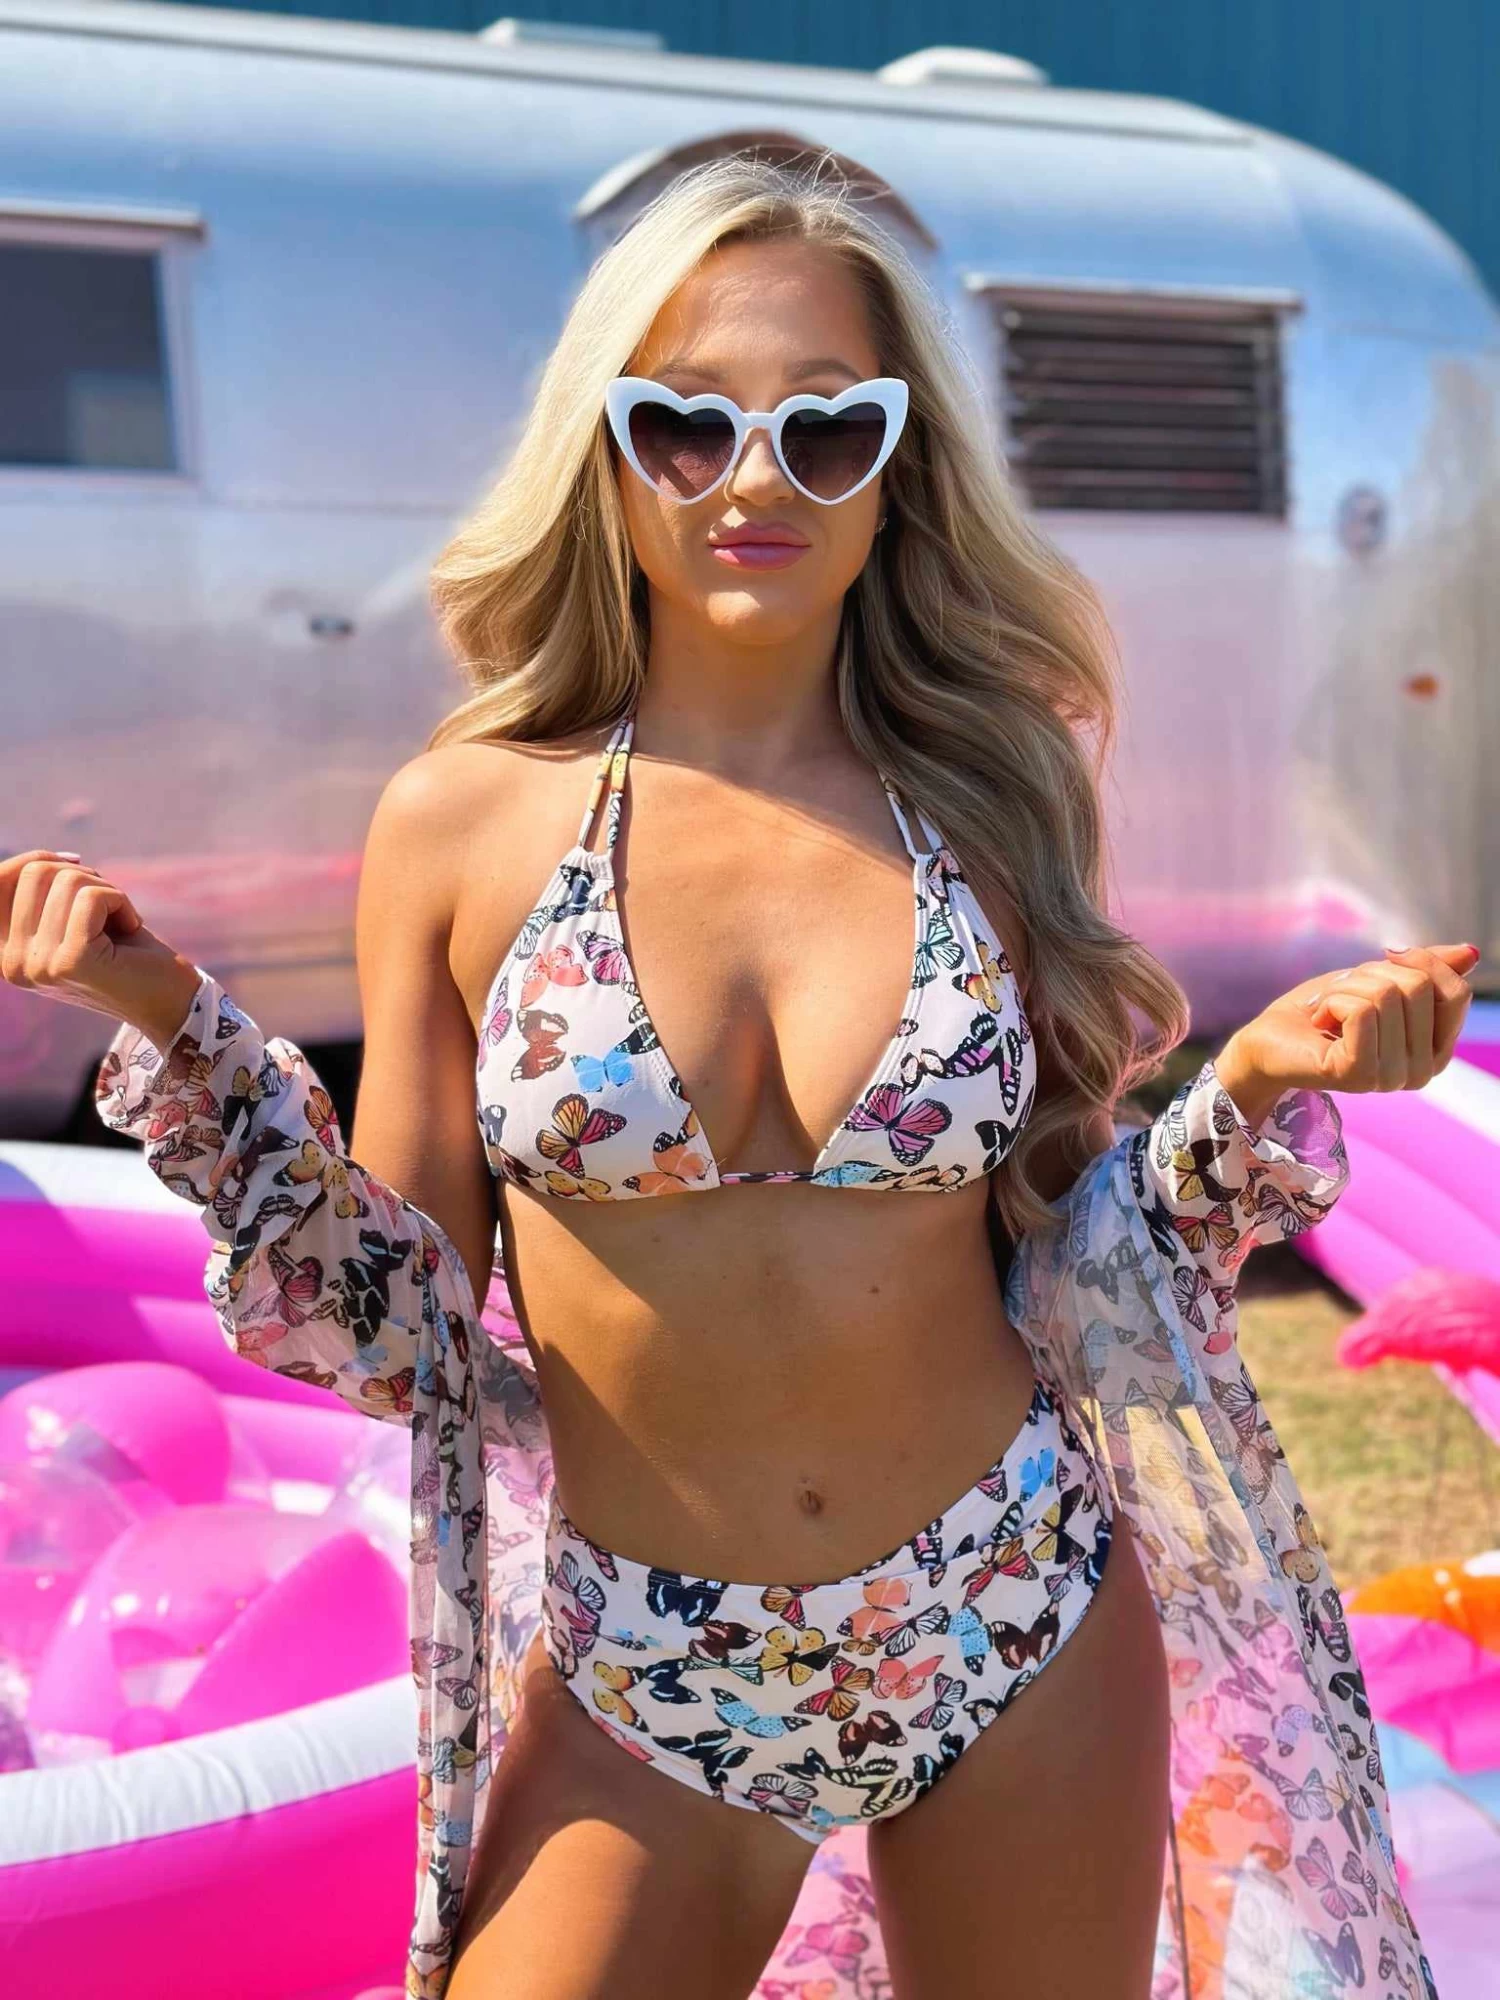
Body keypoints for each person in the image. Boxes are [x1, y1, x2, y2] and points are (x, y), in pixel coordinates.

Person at [2, 155, 1463, 2000]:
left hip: (1011, 1609)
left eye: (826, 429)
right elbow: (395, 1332)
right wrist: (169, 1021)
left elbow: (1080, 1268)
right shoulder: (460, 823)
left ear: (896, 470)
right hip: (653, 1677)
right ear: (608, 457)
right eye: (686, 424)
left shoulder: (991, 802)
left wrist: (1247, 1082)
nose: (754, 479)